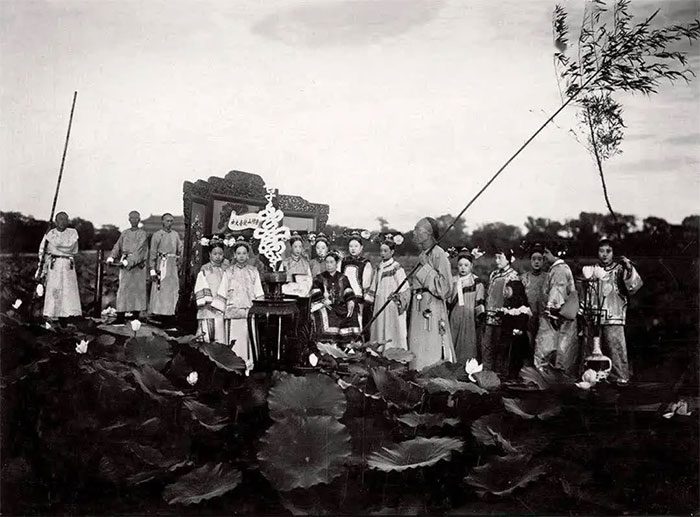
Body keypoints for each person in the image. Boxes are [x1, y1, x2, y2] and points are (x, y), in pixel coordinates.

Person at [581, 238, 643, 384]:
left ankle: (620, 379)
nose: (604, 254)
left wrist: (628, 268)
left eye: (608, 251)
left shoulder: (619, 270)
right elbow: (584, 293)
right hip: (593, 318)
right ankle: (593, 381)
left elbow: (634, 286)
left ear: (613, 253)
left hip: (614, 317)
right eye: (601, 251)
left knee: (615, 350)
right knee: (592, 351)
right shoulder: (590, 270)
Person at [407, 217, 455, 370]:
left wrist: (426, 268)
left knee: (431, 343)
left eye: (417, 229)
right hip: (418, 307)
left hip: (432, 309)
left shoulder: (439, 254)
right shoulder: (423, 254)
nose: (414, 233)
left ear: (428, 233)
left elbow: (446, 288)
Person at [212, 238, 264, 370]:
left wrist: (259, 309)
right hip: (233, 311)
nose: (241, 256)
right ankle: (233, 367)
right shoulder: (229, 272)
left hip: (249, 311)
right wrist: (220, 310)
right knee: (234, 340)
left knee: (248, 340)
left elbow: (258, 292)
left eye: (244, 253)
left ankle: (249, 367)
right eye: (239, 253)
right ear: (234, 255)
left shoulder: (253, 271)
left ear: (248, 255)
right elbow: (223, 291)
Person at [534, 246, 579, 375]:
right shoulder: (559, 268)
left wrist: (551, 312)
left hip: (555, 315)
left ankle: (545, 378)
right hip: (561, 313)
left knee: (547, 347)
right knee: (562, 348)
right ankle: (558, 377)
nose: (544, 256)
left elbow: (556, 294)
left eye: (546, 253)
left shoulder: (559, 270)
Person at [366, 235, 409, 349]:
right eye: (381, 251)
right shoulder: (379, 267)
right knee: (379, 324)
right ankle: (379, 349)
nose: (382, 253)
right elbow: (375, 285)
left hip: (391, 303)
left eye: (385, 251)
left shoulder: (396, 267)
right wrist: (370, 299)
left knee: (391, 326)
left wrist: (397, 297)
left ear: (392, 251)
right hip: (380, 300)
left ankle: (393, 350)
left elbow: (404, 287)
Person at [37, 212, 82, 322]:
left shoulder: (72, 233)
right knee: (54, 289)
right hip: (54, 264)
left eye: (65, 219)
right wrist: (42, 268)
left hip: (67, 264)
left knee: (68, 289)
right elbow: (42, 251)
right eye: (60, 219)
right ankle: (53, 314)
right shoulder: (50, 233)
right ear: (56, 221)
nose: (63, 222)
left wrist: (52, 239)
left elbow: (70, 247)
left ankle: (69, 315)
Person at [482, 248, 520, 375]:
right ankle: (486, 373)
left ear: (508, 259)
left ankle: (500, 375)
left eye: (500, 258)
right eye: (496, 257)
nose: (497, 260)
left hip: (504, 317)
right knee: (487, 346)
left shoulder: (513, 275)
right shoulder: (493, 274)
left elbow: (514, 299)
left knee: (501, 347)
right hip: (490, 316)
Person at [309, 250, 361, 343]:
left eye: (331, 262)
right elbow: (315, 292)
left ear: (336, 263)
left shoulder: (343, 278)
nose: (329, 265)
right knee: (327, 313)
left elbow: (348, 291)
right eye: (327, 262)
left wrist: (351, 301)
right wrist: (322, 301)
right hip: (326, 305)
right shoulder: (319, 278)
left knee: (352, 313)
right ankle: (328, 342)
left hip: (340, 305)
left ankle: (349, 344)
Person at [107, 211, 149, 324]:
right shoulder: (124, 233)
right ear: (129, 219)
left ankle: (136, 316)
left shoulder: (142, 234)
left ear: (139, 220)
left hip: (137, 264)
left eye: (136, 218)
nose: (134, 220)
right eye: (131, 218)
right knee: (123, 289)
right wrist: (111, 257)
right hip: (125, 262)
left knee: (137, 290)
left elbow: (140, 251)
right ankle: (120, 315)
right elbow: (117, 246)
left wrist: (127, 262)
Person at [448, 248, 485, 364]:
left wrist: (480, 318)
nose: (463, 268)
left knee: (468, 343)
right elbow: (448, 300)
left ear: (471, 266)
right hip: (454, 316)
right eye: (460, 265)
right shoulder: (453, 281)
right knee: (452, 340)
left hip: (469, 318)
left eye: (466, 265)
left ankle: (467, 366)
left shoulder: (476, 282)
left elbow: (480, 302)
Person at [148, 213, 183, 328]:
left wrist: (179, 259)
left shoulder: (175, 235)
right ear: (162, 221)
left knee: (172, 291)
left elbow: (180, 249)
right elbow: (153, 252)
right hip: (161, 264)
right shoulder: (157, 235)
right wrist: (152, 269)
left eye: (171, 221)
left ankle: (171, 316)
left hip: (172, 266)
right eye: (167, 221)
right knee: (160, 290)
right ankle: (161, 316)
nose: (169, 223)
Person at [194, 238, 229, 343]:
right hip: (207, 305)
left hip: (221, 305)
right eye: (215, 254)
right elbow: (200, 285)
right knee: (206, 332)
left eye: (220, 254)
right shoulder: (205, 269)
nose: (218, 256)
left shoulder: (226, 269)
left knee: (220, 333)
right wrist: (207, 300)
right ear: (209, 254)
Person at [341, 231, 374, 340]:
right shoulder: (343, 261)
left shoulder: (365, 263)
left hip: (358, 297)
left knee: (358, 321)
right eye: (351, 246)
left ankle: (358, 346)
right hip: (345, 296)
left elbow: (366, 284)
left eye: (356, 246)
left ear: (361, 248)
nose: (353, 249)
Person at [499, 280, 531, 379]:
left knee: (516, 355)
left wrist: (517, 329)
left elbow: (522, 320)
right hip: (507, 335)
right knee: (505, 354)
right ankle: (505, 373)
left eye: (508, 289)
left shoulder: (522, 307)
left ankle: (515, 375)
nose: (506, 292)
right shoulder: (508, 304)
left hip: (517, 336)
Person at [521, 243, 547, 352]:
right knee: (528, 344)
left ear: (543, 261)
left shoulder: (548, 277)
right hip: (528, 317)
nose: (536, 262)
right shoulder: (524, 278)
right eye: (534, 259)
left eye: (539, 259)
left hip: (544, 316)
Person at [279, 232, 312, 297]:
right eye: (295, 247)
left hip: (303, 293)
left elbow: (309, 280)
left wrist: (303, 289)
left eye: (300, 247)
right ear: (291, 247)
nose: (298, 249)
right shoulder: (285, 263)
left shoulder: (305, 263)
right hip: (289, 292)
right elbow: (280, 280)